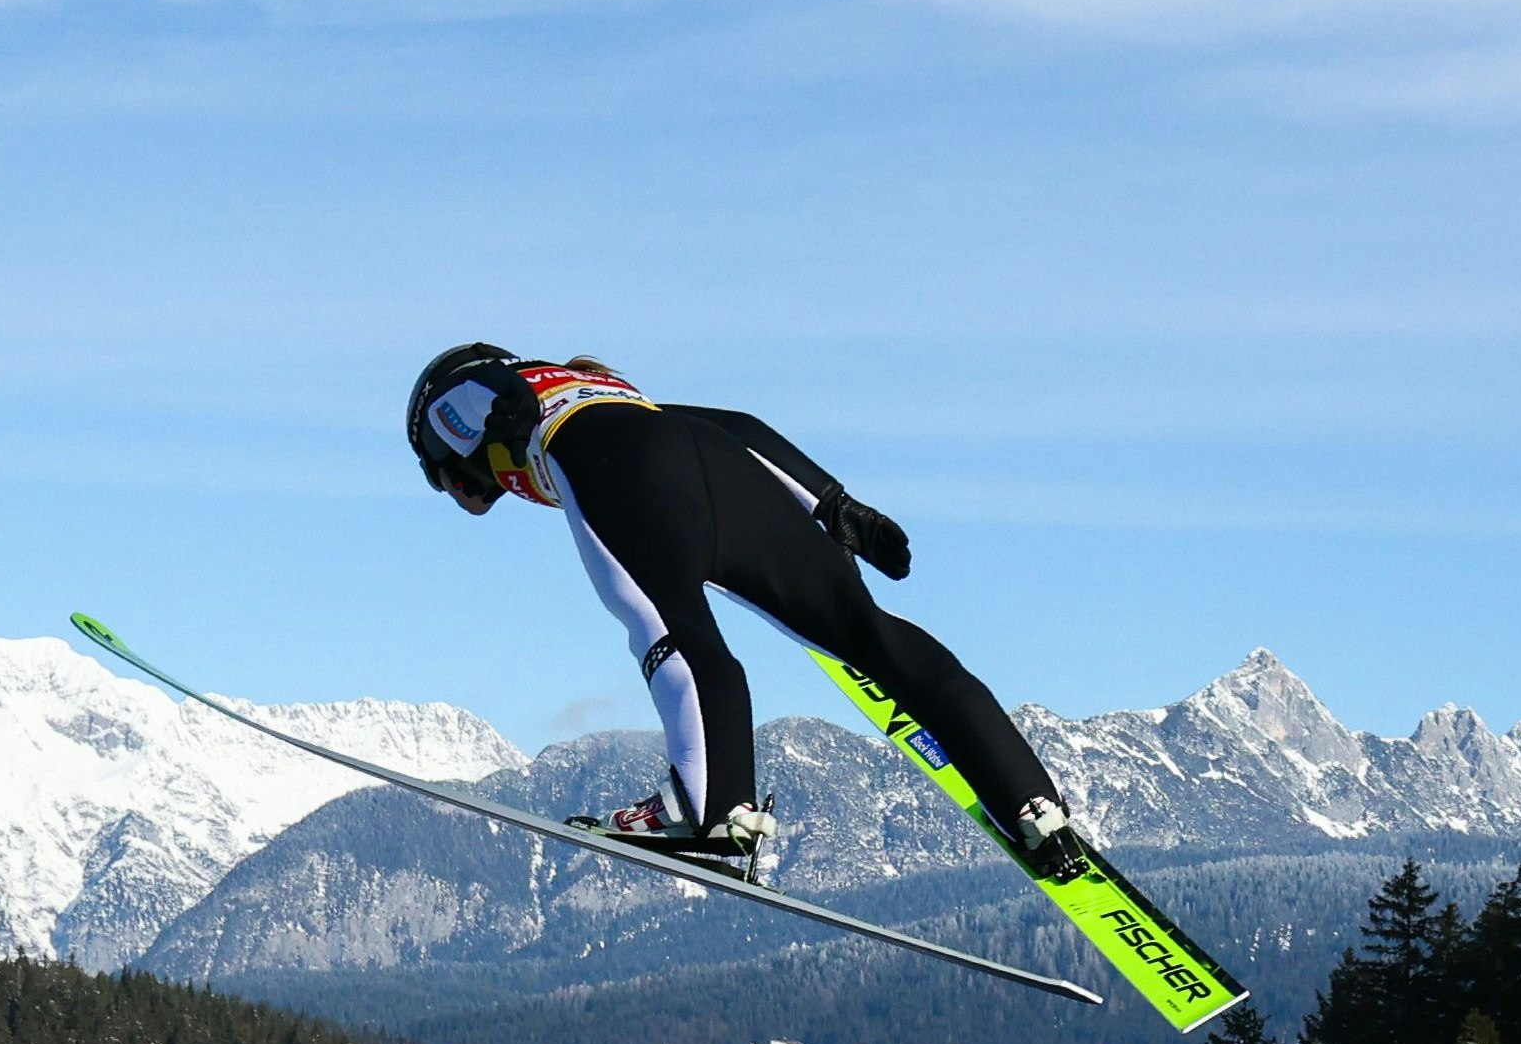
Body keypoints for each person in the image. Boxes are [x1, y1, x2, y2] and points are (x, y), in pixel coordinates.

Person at [405, 344, 1093, 879]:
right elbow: (737, 425)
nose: (465, 494)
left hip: (611, 463)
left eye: (445, 478)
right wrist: (833, 503)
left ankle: (712, 806)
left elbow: (488, 391)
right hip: (722, 464)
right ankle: (1032, 803)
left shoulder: (465, 395)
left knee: (671, 627)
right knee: (872, 633)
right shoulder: (602, 383)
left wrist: (494, 410)